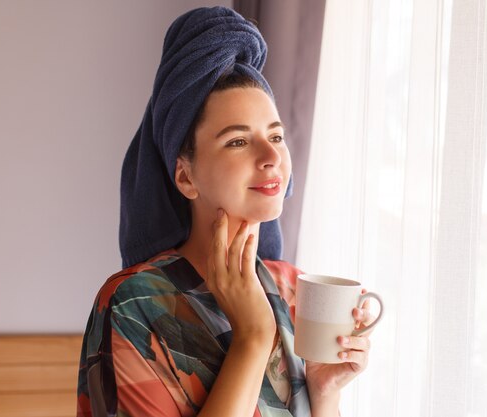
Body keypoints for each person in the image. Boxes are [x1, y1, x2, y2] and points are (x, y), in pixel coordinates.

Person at [77, 6, 375, 417]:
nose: (272, 155)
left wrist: (324, 393)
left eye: (276, 135)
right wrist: (253, 337)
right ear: (185, 177)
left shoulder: (293, 289)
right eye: (238, 141)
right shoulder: (135, 303)